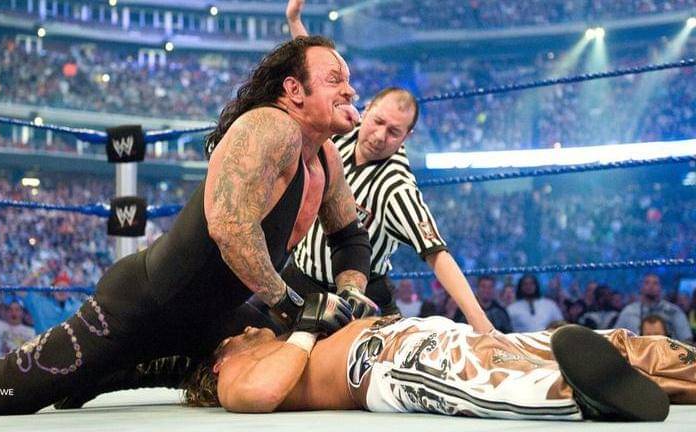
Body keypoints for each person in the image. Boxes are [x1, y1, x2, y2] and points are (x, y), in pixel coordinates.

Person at [0, 36, 371, 416]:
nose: (349, 90)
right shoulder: (268, 127)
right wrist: (293, 305)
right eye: (335, 80)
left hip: (211, 317)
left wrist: (350, 294)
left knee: (295, 352)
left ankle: (126, 370)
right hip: (142, 305)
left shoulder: (326, 159)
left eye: (348, 80)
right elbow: (230, 229)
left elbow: (348, 237)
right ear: (293, 89)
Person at [280, 0, 493, 333]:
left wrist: (482, 325)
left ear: (407, 137)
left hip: (357, 298)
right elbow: (316, 79)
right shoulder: (344, 129)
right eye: (377, 122)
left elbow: (436, 252)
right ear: (366, 111)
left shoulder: (395, 186)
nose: (379, 136)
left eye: (393, 132)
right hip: (300, 278)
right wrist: (294, 20)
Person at [186, 318, 695, 422]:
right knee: (490, 378)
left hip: (413, 331)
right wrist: (305, 330)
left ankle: (676, 372)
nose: (245, 327)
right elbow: (263, 394)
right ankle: (584, 396)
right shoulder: (235, 375)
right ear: (219, 358)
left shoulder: (279, 346)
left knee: (549, 343)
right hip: (384, 366)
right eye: (234, 334)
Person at [616, 274, 692, 342]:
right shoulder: (628, 312)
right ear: (641, 287)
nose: (651, 286)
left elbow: (687, 340)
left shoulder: (674, 312)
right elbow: (615, 339)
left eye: (655, 283)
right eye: (647, 283)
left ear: (661, 287)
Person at [0, 292, 36, 358]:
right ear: (5, 312)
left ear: (22, 312)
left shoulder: (32, 332)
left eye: (17, 310)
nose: (13, 313)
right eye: (10, 309)